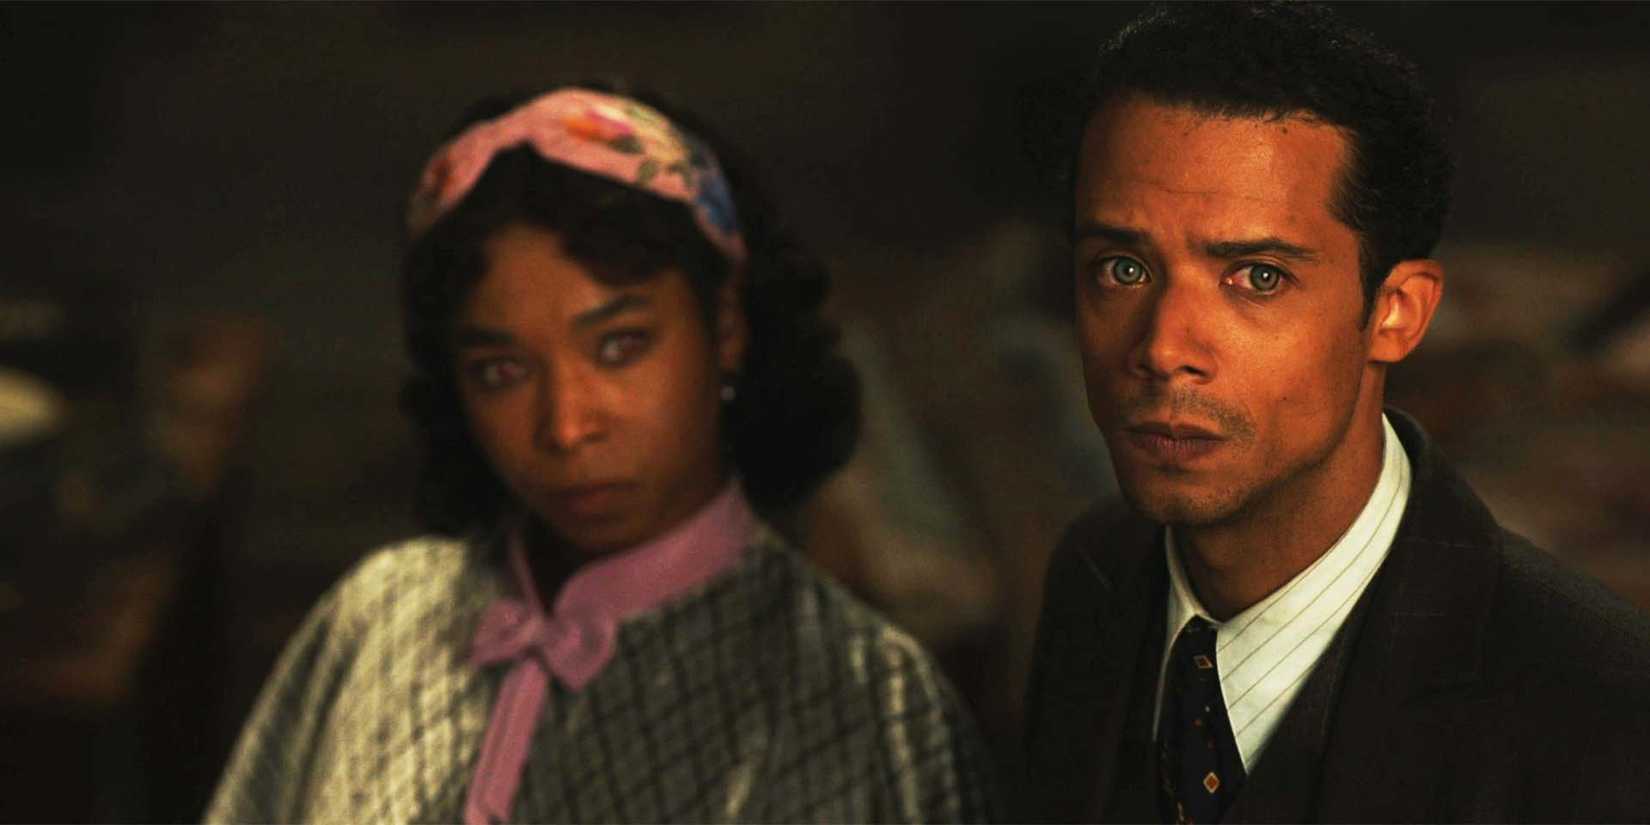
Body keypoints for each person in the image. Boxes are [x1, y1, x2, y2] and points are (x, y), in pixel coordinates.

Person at [206, 86, 995, 824]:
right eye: (502, 371)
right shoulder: (376, 622)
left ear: (724, 328)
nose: (566, 424)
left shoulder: (872, 697)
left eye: (620, 346)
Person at [1022, 4, 1650, 823]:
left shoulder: (1599, 711)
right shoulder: (1095, 575)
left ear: (1396, 313)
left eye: (1258, 277)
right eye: (1122, 268)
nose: (1164, 346)